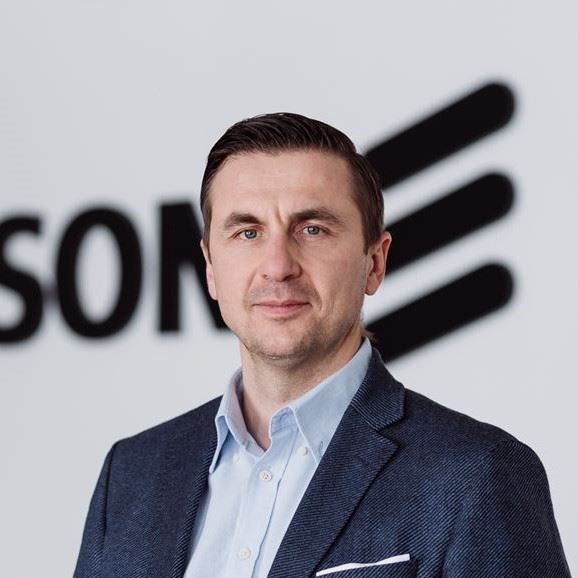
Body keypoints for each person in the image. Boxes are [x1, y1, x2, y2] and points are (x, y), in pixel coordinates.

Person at [73, 113, 571, 578]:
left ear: (374, 262)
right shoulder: (132, 473)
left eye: (312, 229)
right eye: (247, 232)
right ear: (210, 268)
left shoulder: (478, 475)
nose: (277, 266)